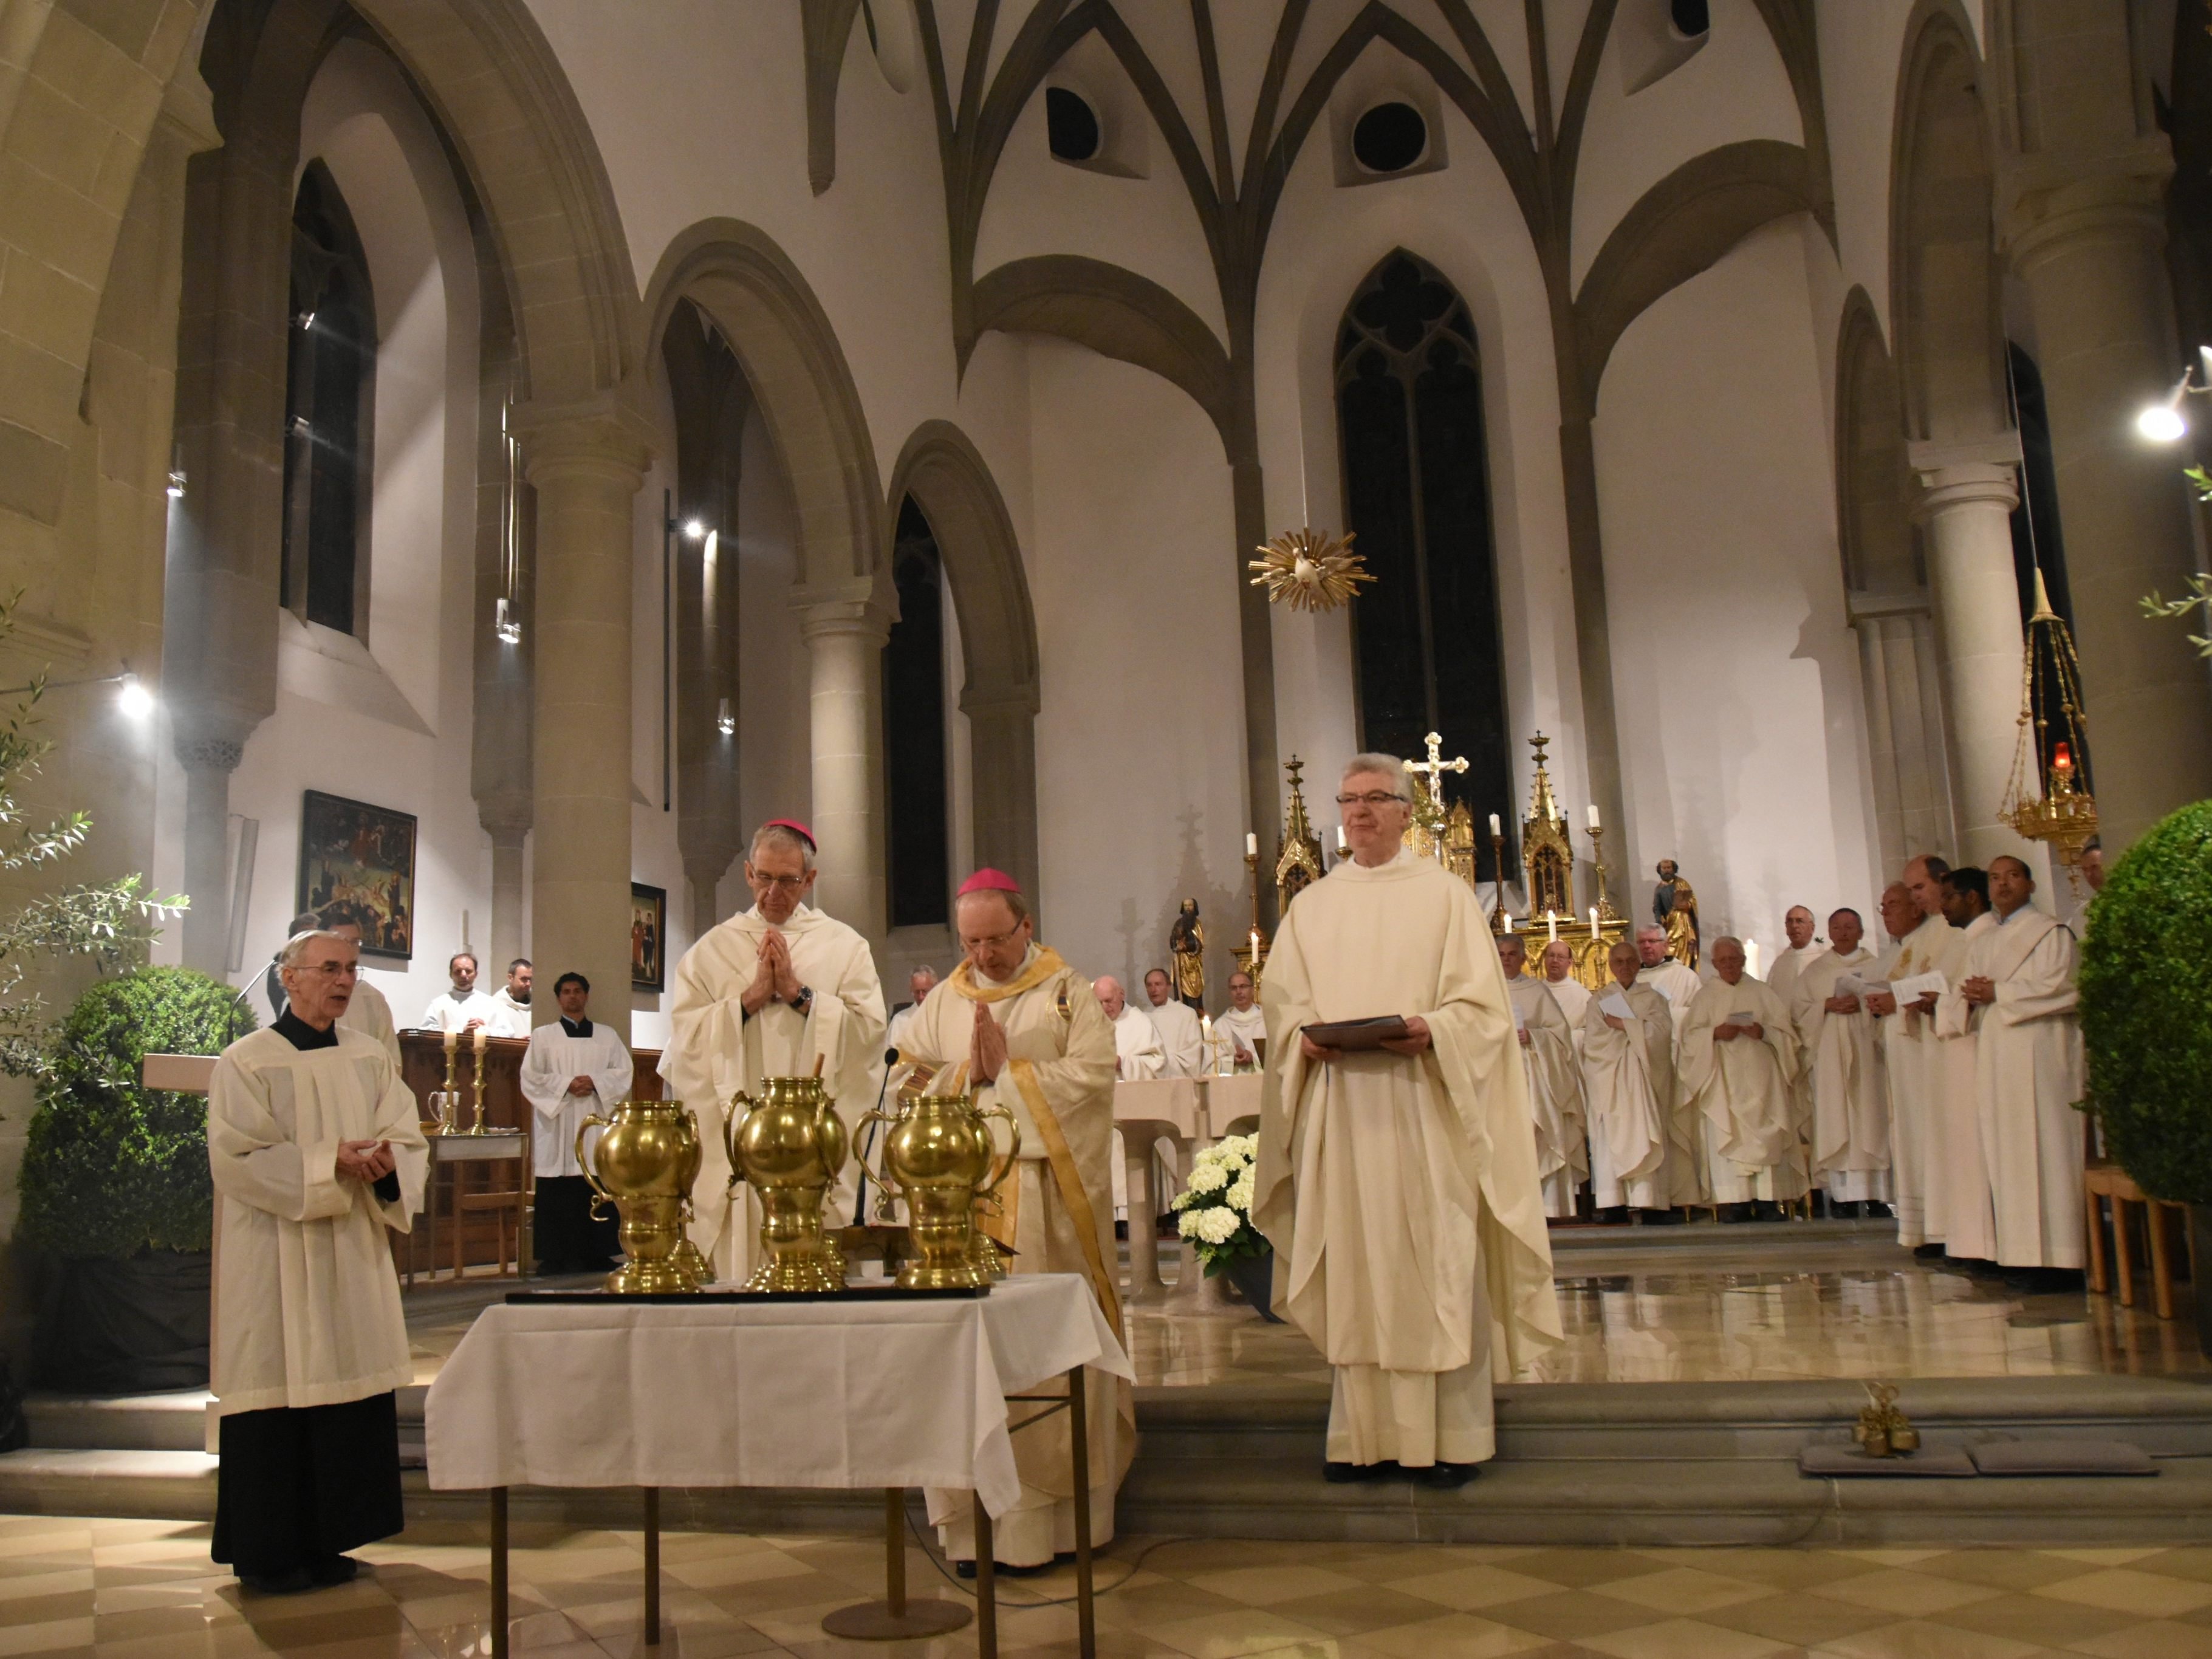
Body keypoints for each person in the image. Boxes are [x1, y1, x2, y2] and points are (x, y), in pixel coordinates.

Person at [1253, 755, 1558, 1488]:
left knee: (1435, 1267)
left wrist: (1433, 1030)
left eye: (1375, 799)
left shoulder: (1446, 897)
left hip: (1424, 1106)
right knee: (1357, 1268)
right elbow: (1282, 1006)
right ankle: (1362, 1439)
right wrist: (1303, 1035)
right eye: (1349, 800)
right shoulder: (1311, 907)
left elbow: (1482, 1013)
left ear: (1405, 809)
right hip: (1344, 1112)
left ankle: (1451, 1439)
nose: (1358, 812)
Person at [897, 869, 1132, 1572]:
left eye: (995, 940)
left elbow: (1093, 1082)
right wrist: (967, 1075)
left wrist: (1010, 1077)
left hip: (1045, 1211)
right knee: (968, 1362)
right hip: (958, 1211)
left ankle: (1050, 1526)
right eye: (970, 942)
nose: (984, 957)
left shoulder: (1067, 994)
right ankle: (970, 1529)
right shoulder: (943, 1000)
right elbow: (905, 1086)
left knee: (1041, 1360)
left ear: (1025, 927)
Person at [207, 929, 426, 1595]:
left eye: (351, 969)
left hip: (350, 1253)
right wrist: (325, 1159)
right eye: (329, 968)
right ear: (289, 977)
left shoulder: (368, 1057)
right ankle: (269, 1552)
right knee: (278, 1388)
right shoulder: (246, 1061)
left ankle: (330, 1540)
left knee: (343, 1387)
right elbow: (236, 1159)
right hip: (274, 1256)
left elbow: (407, 1136)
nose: (343, 980)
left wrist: (389, 1165)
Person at [663, 819, 887, 1277]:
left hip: (813, 1144)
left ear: (810, 879)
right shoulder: (712, 950)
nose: (772, 892)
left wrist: (799, 995)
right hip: (740, 1149)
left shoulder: (845, 947)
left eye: (787, 880)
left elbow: (870, 1034)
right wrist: (746, 1002)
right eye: (764, 877)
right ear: (748, 873)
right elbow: (684, 1040)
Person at [1937, 855, 2085, 1290]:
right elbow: (1970, 993)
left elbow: (2062, 987)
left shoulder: (2050, 932)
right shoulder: (1985, 941)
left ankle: (2063, 1259)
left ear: (2030, 883)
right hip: (1999, 1058)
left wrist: (1999, 992)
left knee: (2047, 1149)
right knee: (2009, 1154)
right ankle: (2023, 1256)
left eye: (2012, 876)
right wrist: (1969, 998)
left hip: (2040, 1056)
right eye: (1996, 878)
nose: (2003, 884)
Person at [1873, 853, 1962, 1254]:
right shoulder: (1920, 937)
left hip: (1934, 1056)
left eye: (1918, 888)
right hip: (1908, 1057)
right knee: (1914, 1140)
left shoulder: (1951, 929)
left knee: (1937, 1139)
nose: (1914, 898)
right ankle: (1924, 1227)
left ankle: (1944, 1228)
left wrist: (1896, 998)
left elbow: (1946, 980)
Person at [518, 972, 633, 1276]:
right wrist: (567, 1084)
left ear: (586, 996)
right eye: (567, 992)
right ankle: (554, 1256)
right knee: (557, 1187)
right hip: (557, 1122)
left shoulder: (607, 1036)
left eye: (578, 991)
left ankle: (599, 1252)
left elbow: (623, 1071)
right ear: (559, 998)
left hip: (594, 1121)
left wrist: (594, 1082)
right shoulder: (543, 1036)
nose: (573, 996)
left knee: (595, 1182)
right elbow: (530, 1077)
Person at [1679, 938, 1799, 1219]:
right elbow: (1688, 1040)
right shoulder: (1705, 996)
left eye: (1734, 959)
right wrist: (1715, 1033)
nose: (1729, 965)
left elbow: (1788, 1035)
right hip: (1724, 1081)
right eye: (1723, 961)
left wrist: (1764, 1032)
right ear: (1715, 964)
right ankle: (1737, 1201)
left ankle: (1769, 1201)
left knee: (1764, 1133)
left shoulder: (1762, 992)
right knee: (1729, 1132)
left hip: (1762, 1079)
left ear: (1744, 961)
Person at [1790, 909, 1892, 1216]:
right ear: (1829, 932)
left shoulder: (1876, 966)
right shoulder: (1815, 971)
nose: (1844, 932)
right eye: (1837, 927)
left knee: (1870, 1117)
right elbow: (1798, 1012)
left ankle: (1877, 1196)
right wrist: (1827, 1005)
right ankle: (1841, 1196)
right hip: (1830, 1058)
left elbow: (1888, 1007)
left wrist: (1865, 1005)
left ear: (1861, 932)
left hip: (1867, 1054)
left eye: (1850, 927)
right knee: (1836, 1118)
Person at [1927, 867, 1999, 1266]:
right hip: (1958, 1054)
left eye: (1949, 897)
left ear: (1972, 897)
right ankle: (1973, 1243)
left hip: (1975, 1051)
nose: (1942, 906)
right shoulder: (1963, 941)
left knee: (1978, 1149)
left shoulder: (1986, 938)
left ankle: (1985, 1247)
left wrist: (1944, 1003)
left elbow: (1974, 994)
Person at [1578, 939, 1679, 1218]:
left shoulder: (1654, 998)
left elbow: (1661, 1034)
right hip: (1611, 1081)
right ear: (1611, 966)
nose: (1625, 967)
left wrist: (1625, 1026)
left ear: (1639, 964)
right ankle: (1615, 1204)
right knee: (1611, 1137)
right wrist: (1634, 1032)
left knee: (1647, 1133)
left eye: (1630, 961)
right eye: (1619, 962)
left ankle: (1650, 1202)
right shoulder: (1599, 1000)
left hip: (1644, 1080)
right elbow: (1595, 1043)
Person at [1496, 932, 1584, 1219]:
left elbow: (1561, 1034)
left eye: (1512, 954)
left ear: (1524, 958)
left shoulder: (1537, 990)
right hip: (1497, 1074)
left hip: (1534, 1073)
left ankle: (1548, 1207)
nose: (1507, 959)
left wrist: (1532, 1036)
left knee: (1539, 1132)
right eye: (1501, 954)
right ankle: (1509, 1208)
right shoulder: (1485, 990)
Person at [320, 914, 399, 1066]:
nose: (349, 948)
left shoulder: (372, 998)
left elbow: (391, 1058)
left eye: (355, 942)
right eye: (341, 941)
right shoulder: (310, 991)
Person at [1634, 925, 1701, 1037]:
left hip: (1675, 1041)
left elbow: (1699, 1014)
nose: (1646, 946)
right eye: (1641, 942)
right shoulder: (1632, 979)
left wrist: (1665, 1016)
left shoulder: (1685, 976)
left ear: (1665, 946)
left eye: (1652, 941)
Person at [1095, 975, 1165, 1080]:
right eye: (1099, 1003)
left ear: (1122, 994)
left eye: (1108, 1001)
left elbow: (1158, 1066)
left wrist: (1122, 1063)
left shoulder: (1140, 1022)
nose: (1104, 1007)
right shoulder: (1091, 1023)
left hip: (1130, 1093)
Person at [1142, 968, 1204, 1076]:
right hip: (1150, 1078)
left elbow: (1193, 1053)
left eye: (1158, 984)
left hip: (1179, 1079)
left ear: (1169, 986)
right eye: (1149, 985)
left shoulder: (1186, 1014)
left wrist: (1161, 1062)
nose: (1153, 990)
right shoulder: (1142, 1016)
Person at [420, 953, 499, 1034]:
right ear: (451, 974)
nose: (463, 975)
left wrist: (484, 1031)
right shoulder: (438, 1004)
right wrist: (461, 1032)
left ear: (476, 974)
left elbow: (507, 1034)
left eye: (468, 971)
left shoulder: (490, 1003)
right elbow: (426, 1034)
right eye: (458, 971)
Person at [1765, 906, 1823, 1005]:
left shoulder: (1823, 958)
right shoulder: (1780, 962)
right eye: (1790, 922)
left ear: (1812, 928)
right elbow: (1770, 998)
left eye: (1800, 921)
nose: (1794, 926)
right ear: (1786, 928)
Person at [1540, 940, 1591, 1052]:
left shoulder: (1581, 995)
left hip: (1570, 1056)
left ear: (1569, 963)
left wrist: (1570, 1038)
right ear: (1544, 960)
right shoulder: (1536, 992)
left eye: (1561, 957)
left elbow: (1592, 1032)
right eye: (1551, 956)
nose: (1555, 961)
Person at [1214, 970, 1266, 1068]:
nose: (1238, 992)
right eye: (1234, 988)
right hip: (1231, 1081)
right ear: (1229, 992)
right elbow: (1211, 1063)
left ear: (1252, 989)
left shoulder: (1266, 1021)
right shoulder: (1221, 1025)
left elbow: (1278, 1055)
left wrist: (1253, 1058)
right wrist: (1232, 1060)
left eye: (1243, 986)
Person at [885, 966, 937, 1059]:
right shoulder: (900, 1021)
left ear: (935, 988)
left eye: (925, 991)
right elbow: (891, 1056)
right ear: (911, 990)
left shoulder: (945, 1017)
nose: (921, 997)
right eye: (917, 992)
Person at [489, 959, 532, 1037]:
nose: (528, 984)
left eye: (530, 979)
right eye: (524, 979)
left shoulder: (536, 1003)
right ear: (510, 978)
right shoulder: (497, 1003)